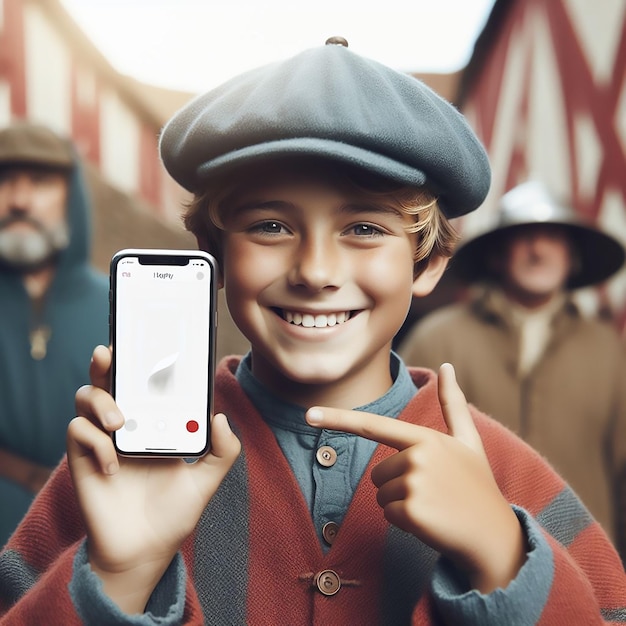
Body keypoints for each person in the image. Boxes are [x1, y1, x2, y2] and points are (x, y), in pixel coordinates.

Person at [1, 41, 625, 625]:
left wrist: (504, 556)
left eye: (366, 229)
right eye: (271, 227)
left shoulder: (500, 474)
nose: (316, 272)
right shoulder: (120, 463)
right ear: (213, 251)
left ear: (429, 262)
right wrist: (117, 575)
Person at [399, 180, 626, 560]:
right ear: (497, 255)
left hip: (587, 567)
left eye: (553, 237)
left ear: (573, 256)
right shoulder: (438, 339)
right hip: (462, 563)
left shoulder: (606, 349)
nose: (538, 250)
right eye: (524, 238)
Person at [0, 121, 109, 546]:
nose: (20, 200)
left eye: (41, 182)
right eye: (5, 181)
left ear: (71, 197)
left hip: (87, 543)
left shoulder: (118, 303)